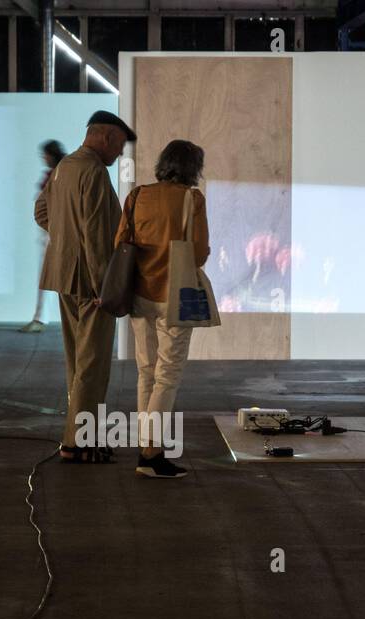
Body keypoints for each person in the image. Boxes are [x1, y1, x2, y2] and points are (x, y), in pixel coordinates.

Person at [34, 111, 134, 463]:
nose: (120, 153)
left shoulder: (63, 168)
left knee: (77, 362)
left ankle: (79, 437)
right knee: (92, 364)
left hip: (64, 275)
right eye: (120, 145)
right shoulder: (92, 171)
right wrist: (101, 286)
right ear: (105, 137)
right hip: (90, 282)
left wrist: (64, 242)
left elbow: (40, 212)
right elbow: (95, 234)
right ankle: (79, 442)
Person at [113, 140, 209, 479]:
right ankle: (151, 454)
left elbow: (120, 242)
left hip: (140, 293)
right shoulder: (191, 199)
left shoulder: (138, 195)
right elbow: (198, 253)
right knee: (167, 376)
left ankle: (147, 450)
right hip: (175, 295)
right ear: (192, 168)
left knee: (146, 373)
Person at [20, 139, 66, 333]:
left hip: (54, 233)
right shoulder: (55, 174)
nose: (43, 158)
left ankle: (41, 319)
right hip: (51, 232)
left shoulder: (58, 175)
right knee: (48, 277)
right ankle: (40, 318)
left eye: (45, 155)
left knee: (48, 277)